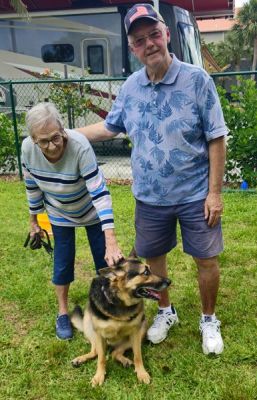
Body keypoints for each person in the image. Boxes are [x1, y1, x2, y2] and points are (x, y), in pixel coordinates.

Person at [77, 3, 227, 355]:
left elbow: (216, 137)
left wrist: (214, 193)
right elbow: (109, 127)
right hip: (149, 197)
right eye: (140, 40)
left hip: (194, 194)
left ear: (167, 35)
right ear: (132, 48)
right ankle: (165, 310)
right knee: (154, 259)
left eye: (154, 35)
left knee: (206, 260)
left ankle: (208, 319)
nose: (149, 44)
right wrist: (67, 133)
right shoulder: (130, 87)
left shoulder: (197, 80)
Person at [22, 102, 123, 340]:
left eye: (56, 138)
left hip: (90, 211)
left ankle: (107, 309)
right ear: (33, 139)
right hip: (58, 212)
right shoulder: (28, 149)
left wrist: (111, 238)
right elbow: (32, 185)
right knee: (63, 262)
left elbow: (99, 192)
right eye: (43, 141)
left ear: (63, 130)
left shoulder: (79, 146)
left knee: (105, 262)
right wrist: (33, 220)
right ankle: (63, 313)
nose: (52, 146)